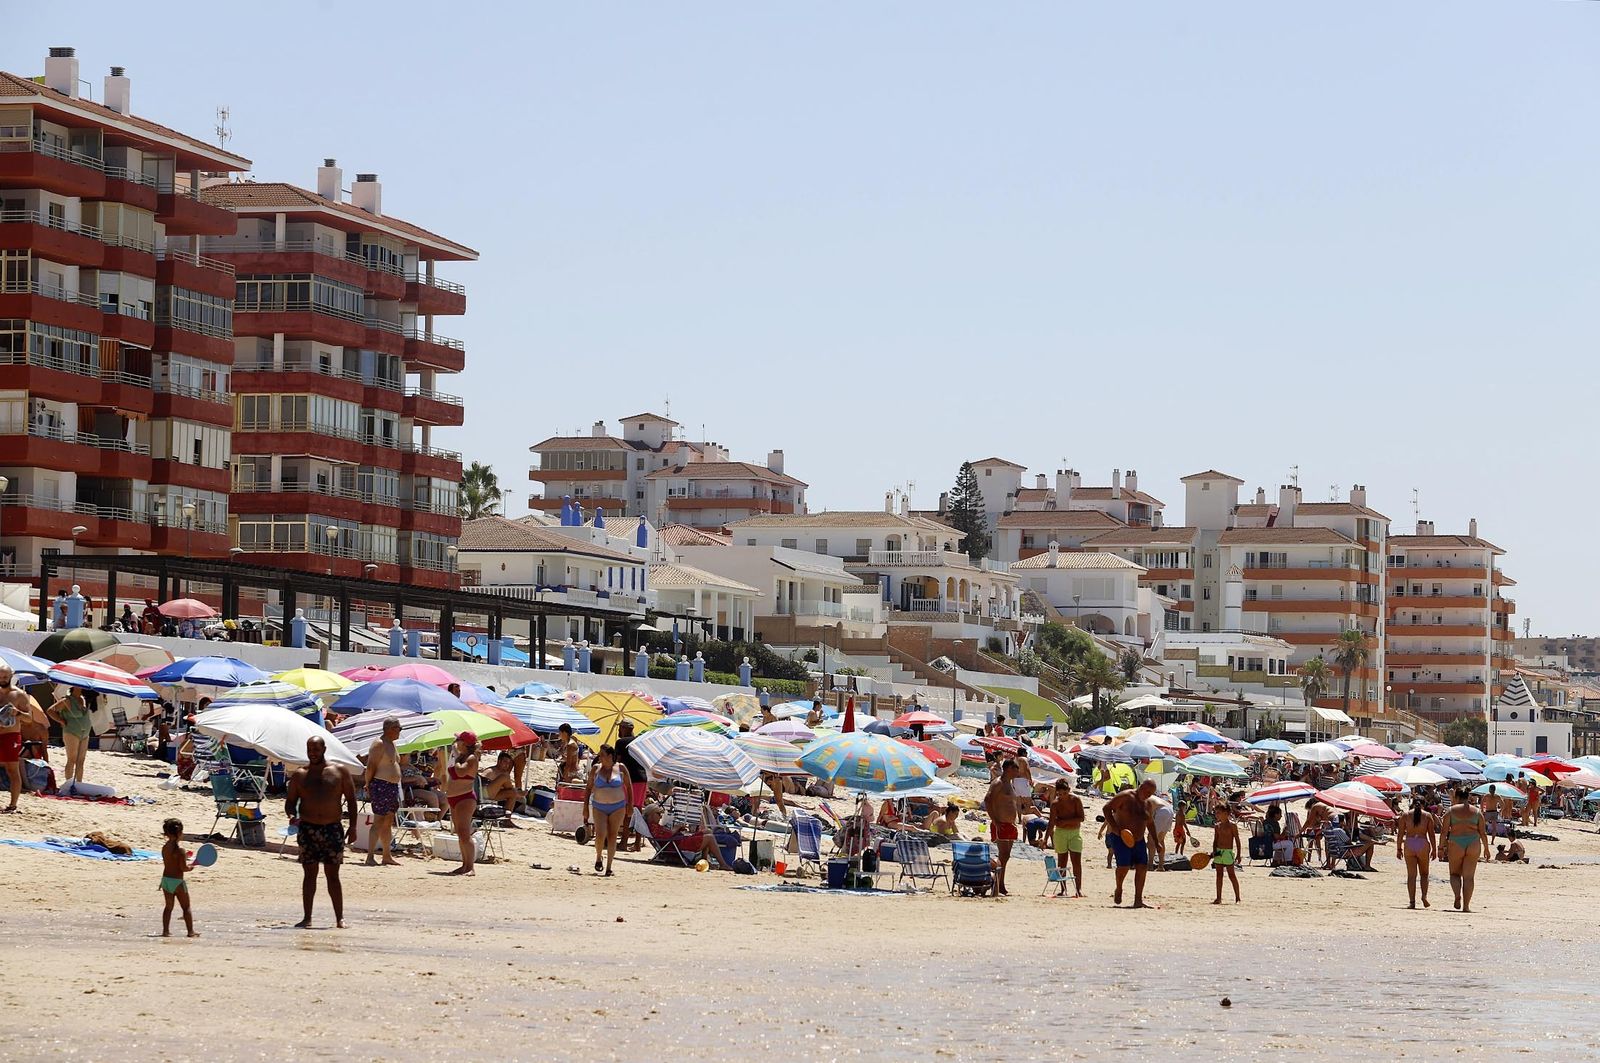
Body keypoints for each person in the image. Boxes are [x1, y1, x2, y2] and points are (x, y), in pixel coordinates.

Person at [285, 736, 358, 928]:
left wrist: (353, 826)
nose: (312, 753)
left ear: (324, 749)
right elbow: (290, 801)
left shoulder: (339, 771)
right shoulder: (300, 774)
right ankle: (307, 918)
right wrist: (291, 814)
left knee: (333, 875)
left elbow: (351, 800)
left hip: (332, 828)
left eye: (316, 749)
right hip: (308, 829)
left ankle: (339, 918)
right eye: (309, 749)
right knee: (309, 874)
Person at [1103, 780, 1156, 908]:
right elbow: (1107, 808)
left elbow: (1150, 823)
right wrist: (1115, 828)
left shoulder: (1147, 804)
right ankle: (1119, 888)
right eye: (1147, 791)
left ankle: (1138, 900)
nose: (1148, 795)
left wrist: (1157, 842)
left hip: (1139, 840)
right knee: (1124, 867)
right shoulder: (1125, 796)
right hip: (1121, 838)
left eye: (1151, 793)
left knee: (1142, 867)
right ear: (1141, 786)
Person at [583, 744, 632, 876]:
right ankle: (599, 856)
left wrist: (630, 805)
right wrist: (585, 808)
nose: (600, 758)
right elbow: (588, 788)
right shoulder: (596, 769)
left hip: (618, 806)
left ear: (610, 756)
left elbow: (629, 786)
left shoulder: (621, 768)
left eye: (602, 755)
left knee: (612, 835)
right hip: (599, 806)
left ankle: (609, 866)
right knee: (600, 835)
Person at [363, 718, 403, 867]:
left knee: (388, 822)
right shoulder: (379, 744)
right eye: (399, 728)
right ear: (391, 728)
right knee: (378, 821)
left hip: (392, 786)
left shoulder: (392, 743)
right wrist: (368, 784)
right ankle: (370, 856)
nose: (400, 731)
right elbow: (371, 766)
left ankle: (387, 855)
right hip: (381, 784)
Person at [1443, 788, 1489, 913]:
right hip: (1473, 843)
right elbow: (1483, 833)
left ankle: (1457, 895)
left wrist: (1441, 847)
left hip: (1456, 842)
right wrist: (1487, 848)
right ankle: (1466, 906)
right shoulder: (1477, 812)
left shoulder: (1451, 811)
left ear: (1457, 797)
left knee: (1454, 874)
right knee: (1469, 877)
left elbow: (1444, 831)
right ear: (1468, 797)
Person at [443, 732, 481, 876]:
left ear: (464, 744)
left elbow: (459, 772)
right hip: (454, 798)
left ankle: (471, 867)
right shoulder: (462, 757)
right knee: (460, 833)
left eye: (458, 740)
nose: (455, 742)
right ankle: (464, 865)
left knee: (465, 833)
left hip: (465, 798)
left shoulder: (471, 758)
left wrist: (456, 757)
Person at [0, 666, 36, 812]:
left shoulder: (20, 695)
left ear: (11, 676)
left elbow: (29, 719)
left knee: (12, 770)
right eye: (0, 677)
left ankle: (13, 804)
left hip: (11, 736)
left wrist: (18, 713)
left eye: (5, 677)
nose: (2, 680)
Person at [984, 760, 1021, 895]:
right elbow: (988, 799)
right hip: (1001, 823)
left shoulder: (1009, 784)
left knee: (1006, 856)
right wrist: (994, 820)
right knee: (1002, 855)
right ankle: (997, 884)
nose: (1017, 771)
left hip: (1010, 824)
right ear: (1007, 769)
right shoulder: (998, 783)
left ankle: (1001, 884)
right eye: (1015, 768)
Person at [158, 818, 198, 938]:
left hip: (166, 881)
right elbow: (183, 868)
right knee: (186, 907)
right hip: (178, 882)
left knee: (168, 907)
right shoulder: (180, 850)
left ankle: (165, 931)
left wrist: (184, 856)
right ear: (179, 833)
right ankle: (190, 932)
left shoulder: (164, 848)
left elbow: (171, 861)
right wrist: (190, 867)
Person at [1395, 797, 1437, 909]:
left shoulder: (1405, 815)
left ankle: (1412, 902)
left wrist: (1398, 848)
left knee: (1411, 875)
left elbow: (1400, 834)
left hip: (1409, 843)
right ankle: (1424, 896)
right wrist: (1434, 849)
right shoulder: (1428, 816)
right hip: (1422, 843)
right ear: (1424, 804)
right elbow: (1432, 834)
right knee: (1424, 874)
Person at [46, 685, 92, 785]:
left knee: (81, 760)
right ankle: (69, 783)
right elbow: (50, 711)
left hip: (85, 733)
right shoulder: (67, 700)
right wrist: (61, 720)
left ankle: (79, 783)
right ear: (74, 687)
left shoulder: (83, 699)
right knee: (72, 759)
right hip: (71, 732)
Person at [1050, 779, 1085, 897]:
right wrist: (1045, 839)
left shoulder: (1076, 800)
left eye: (1064, 793)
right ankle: (1063, 889)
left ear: (1069, 791)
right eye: (1059, 794)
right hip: (1060, 833)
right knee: (1062, 862)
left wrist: (1064, 822)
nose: (1062, 796)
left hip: (1074, 833)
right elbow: (1052, 822)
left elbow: (1081, 818)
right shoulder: (1055, 803)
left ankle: (1078, 889)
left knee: (1076, 862)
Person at [1211, 805, 1241, 904]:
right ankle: (1218, 897)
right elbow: (1215, 841)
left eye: (1218, 813)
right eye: (1216, 812)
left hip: (1228, 852)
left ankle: (1237, 898)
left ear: (1226, 814)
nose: (1216, 815)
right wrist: (1214, 851)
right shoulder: (1217, 826)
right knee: (1219, 875)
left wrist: (1239, 854)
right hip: (1219, 851)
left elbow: (1237, 840)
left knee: (1231, 875)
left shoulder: (1232, 825)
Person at [1148, 790, 1175, 870]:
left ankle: (1150, 865)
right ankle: (1160, 865)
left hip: (1162, 812)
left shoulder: (1147, 799)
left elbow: (1148, 818)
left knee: (1151, 840)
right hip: (1170, 810)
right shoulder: (1159, 798)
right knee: (1161, 840)